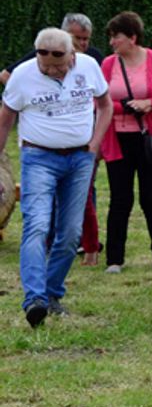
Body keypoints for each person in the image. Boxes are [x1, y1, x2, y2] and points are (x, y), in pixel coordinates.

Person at [0, 28, 112, 327]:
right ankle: (34, 298)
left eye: (57, 65)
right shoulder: (23, 75)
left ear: (71, 55)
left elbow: (105, 105)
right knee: (36, 225)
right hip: (39, 158)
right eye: (44, 64)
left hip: (79, 159)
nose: (50, 69)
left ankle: (51, 294)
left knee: (71, 232)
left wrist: (95, 142)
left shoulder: (88, 66)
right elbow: (5, 119)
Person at [100, 11, 152, 273]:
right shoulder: (109, 65)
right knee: (120, 198)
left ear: (132, 37)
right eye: (110, 37)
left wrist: (148, 103)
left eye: (116, 36)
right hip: (117, 139)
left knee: (151, 197)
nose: (112, 42)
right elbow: (98, 101)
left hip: (149, 139)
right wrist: (124, 108)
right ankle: (114, 259)